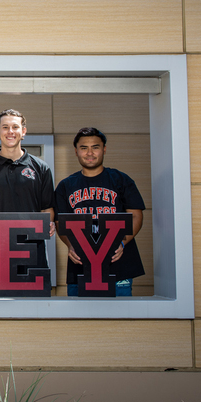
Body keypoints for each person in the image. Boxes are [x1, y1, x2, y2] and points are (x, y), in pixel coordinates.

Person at [53, 127, 145, 296]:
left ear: (104, 149)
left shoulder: (121, 180)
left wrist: (122, 242)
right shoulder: (65, 186)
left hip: (118, 263)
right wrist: (70, 245)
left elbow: (136, 215)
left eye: (95, 147)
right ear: (76, 151)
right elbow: (60, 222)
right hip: (80, 263)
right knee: (79, 318)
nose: (90, 153)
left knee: (120, 317)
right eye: (84, 148)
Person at [0, 109, 55, 272]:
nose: (10, 132)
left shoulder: (41, 168)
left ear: (23, 131)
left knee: (35, 295)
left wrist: (49, 222)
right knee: (1, 295)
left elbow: (48, 209)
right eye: (5, 127)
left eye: (15, 127)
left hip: (34, 247)